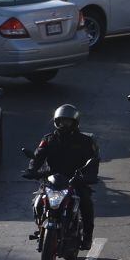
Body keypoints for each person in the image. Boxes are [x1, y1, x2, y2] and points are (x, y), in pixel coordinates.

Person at [25, 104, 100, 246]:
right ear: (56, 121)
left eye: (67, 121)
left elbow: (93, 161)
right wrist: (32, 171)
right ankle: (40, 226)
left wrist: (89, 176)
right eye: (61, 121)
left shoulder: (85, 141)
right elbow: (37, 157)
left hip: (76, 180)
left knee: (86, 202)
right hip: (52, 180)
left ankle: (87, 236)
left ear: (75, 122)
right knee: (38, 201)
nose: (64, 124)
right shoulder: (48, 139)